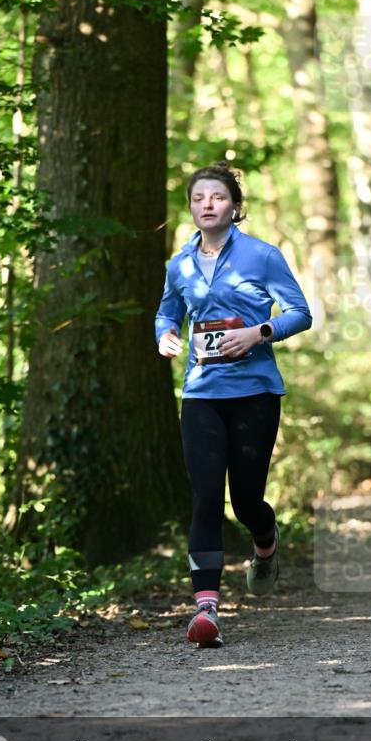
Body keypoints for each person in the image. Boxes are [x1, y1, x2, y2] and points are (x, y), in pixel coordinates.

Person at [155, 162, 312, 646]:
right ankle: (206, 610)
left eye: (217, 197)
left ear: (234, 207)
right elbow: (168, 308)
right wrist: (165, 333)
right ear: (191, 207)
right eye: (199, 197)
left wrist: (258, 333)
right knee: (204, 497)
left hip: (255, 394)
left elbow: (300, 313)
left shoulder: (262, 256)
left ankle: (265, 542)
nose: (207, 204)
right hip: (201, 393)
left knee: (245, 501)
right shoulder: (178, 264)